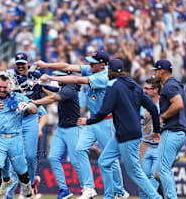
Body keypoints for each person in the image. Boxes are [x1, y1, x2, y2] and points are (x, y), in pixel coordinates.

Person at [34, 50, 128, 199]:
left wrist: (50, 77)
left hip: (106, 120)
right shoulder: (92, 70)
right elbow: (66, 67)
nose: (89, 64)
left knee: (109, 157)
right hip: (92, 120)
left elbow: (78, 80)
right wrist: (46, 65)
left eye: (93, 62)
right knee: (79, 150)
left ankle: (120, 191)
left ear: (102, 65)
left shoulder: (102, 76)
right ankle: (89, 187)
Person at [78, 59, 162, 199]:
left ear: (110, 71)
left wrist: (89, 121)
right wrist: (157, 130)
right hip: (123, 133)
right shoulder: (134, 86)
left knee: (134, 172)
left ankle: (156, 197)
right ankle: (110, 196)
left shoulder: (112, 85)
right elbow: (153, 108)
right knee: (104, 162)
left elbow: (105, 109)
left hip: (128, 135)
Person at [0, 52, 48, 198]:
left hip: (30, 118)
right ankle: (8, 193)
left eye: (23, 63)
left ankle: (28, 189)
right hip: (14, 118)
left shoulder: (36, 76)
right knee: (14, 156)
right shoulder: (10, 77)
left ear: (28, 63)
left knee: (31, 156)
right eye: (18, 63)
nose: (20, 65)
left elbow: (43, 111)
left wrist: (44, 79)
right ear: (15, 64)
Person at [32, 70, 84, 199]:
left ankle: (87, 189)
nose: (56, 78)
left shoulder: (69, 89)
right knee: (53, 157)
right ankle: (64, 190)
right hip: (61, 128)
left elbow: (53, 98)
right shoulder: (65, 88)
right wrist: (42, 87)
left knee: (76, 162)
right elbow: (54, 94)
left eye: (58, 76)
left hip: (73, 129)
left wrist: (35, 102)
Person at [0, 74, 38, 199]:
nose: (2, 90)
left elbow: (35, 109)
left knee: (21, 170)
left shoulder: (19, 98)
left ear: (10, 86)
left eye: (5, 87)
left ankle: (27, 188)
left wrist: (27, 106)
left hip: (15, 138)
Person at [152, 59, 186, 199]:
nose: (154, 73)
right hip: (180, 131)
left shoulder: (169, 86)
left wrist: (163, 117)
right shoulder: (179, 86)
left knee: (162, 169)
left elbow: (178, 104)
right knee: (157, 172)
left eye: (155, 70)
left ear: (161, 71)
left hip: (172, 131)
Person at [139, 78, 161, 199]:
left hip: (160, 145)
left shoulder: (164, 105)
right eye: (144, 88)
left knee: (155, 178)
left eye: (148, 88)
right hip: (144, 144)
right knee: (143, 179)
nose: (145, 91)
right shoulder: (141, 104)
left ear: (156, 90)